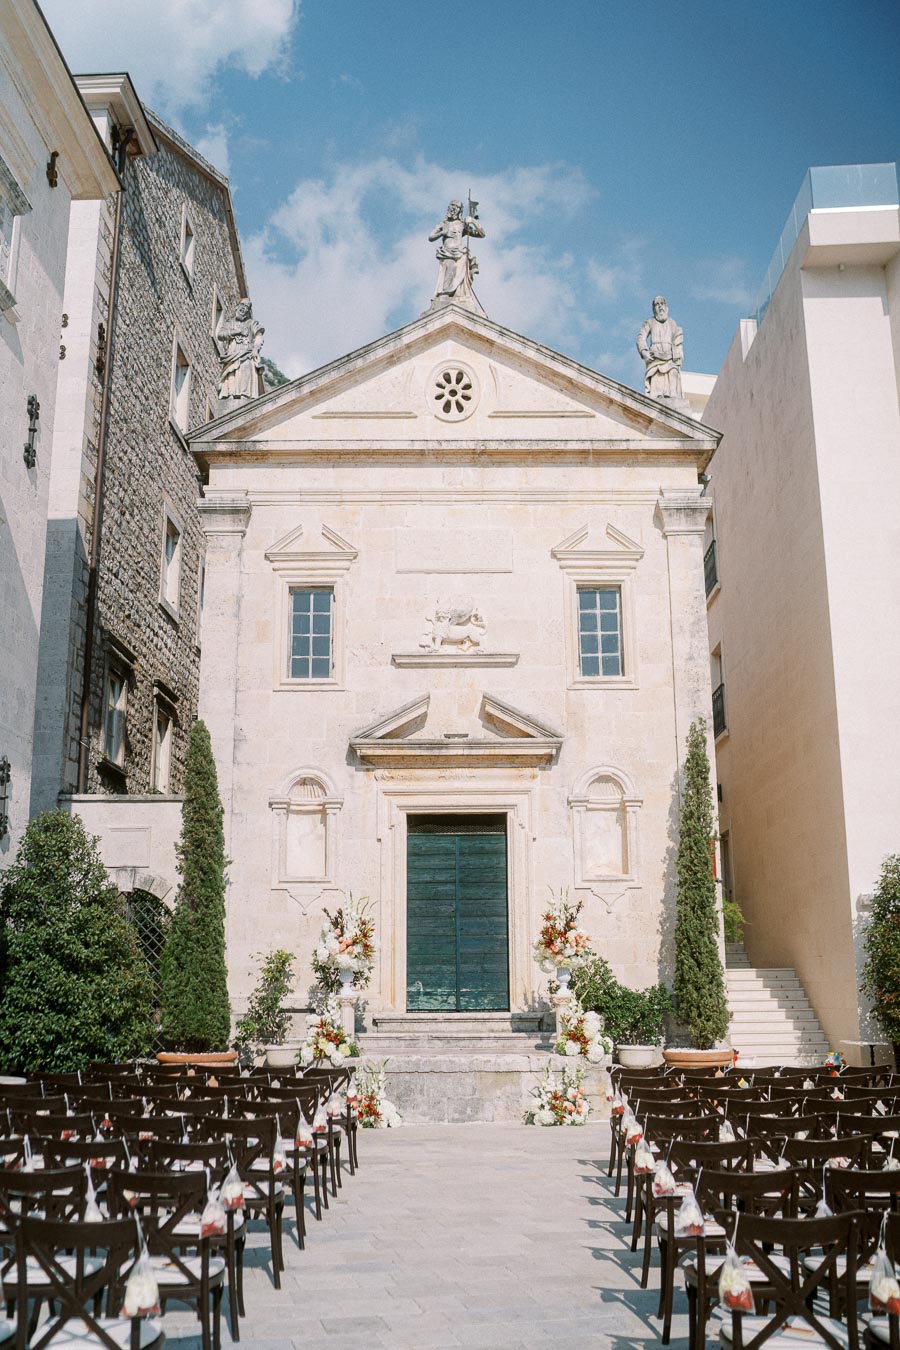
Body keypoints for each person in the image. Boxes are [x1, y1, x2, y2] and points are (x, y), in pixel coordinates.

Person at [427, 201, 485, 310]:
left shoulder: (462, 225)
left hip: (460, 252)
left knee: (460, 275)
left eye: (457, 207)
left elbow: (481, 234)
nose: (454, 208)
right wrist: (443, 233)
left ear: (460, 211)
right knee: (451, 269)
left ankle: (457, 296)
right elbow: (431, 237)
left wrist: (473, 222)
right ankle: (446, 294)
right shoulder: (443, 224)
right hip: (447, 252)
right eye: (452, 206)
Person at [636, 296, 685, 404]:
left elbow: (678, 341)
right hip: (655, 359)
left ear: (666, 308)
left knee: (673, 375)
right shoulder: (650, 322)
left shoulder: (672, 323)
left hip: (670, 358)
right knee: (656, 389)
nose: (660, 306)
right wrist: (644, 351)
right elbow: (641, 337)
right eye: (657, 305)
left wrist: (678, 356)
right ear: (654, 309)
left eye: (662, 304)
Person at [216, 298, 264, 401]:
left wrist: (256, 349)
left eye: (247, 307)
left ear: (248, 312)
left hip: (246, 354)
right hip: (232, 356)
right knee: (231, 379)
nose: (243, 308)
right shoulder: (230, 323)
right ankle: (230, 395)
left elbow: (259, 336)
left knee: (244, 376)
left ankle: (243, 397)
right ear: (237, 306)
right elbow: (220, 335)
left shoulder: (252, 323)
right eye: (242, 305)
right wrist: (237, 332)